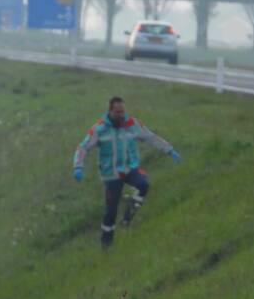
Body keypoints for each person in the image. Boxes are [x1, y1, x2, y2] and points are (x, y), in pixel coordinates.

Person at [73, 97, 181, 247]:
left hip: (130, 168)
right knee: (111, 210)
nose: (121, 115)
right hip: (111, 174)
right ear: (110, 111)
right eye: (117, 112)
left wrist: (169, 150)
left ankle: (129, 214)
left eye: (122, 111)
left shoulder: (132, 124)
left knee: (143, 185)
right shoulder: (99, 128)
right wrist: (78, 166)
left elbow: (151, 137)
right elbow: (83, 147)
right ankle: (106, 243)